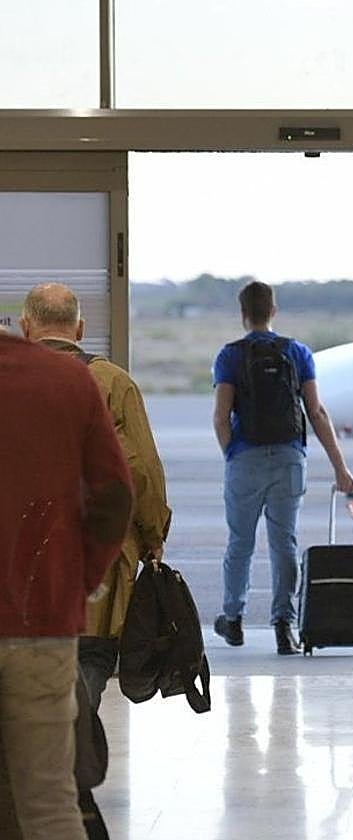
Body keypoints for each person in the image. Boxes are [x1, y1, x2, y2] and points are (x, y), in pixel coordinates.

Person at [21, 282, 173, 838]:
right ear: (81, 329)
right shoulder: (112, 383)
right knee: (85, 675)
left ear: (25, 327)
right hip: (95, 571)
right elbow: (144, 473)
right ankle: (70, 790)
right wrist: (154, 535)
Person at [0, 332, 133, 840]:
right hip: (43, 616)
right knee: (50, 802)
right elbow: (115, 492)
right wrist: (79, 580)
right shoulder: (66, 378)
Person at [211, 281, 353, 656]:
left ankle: (234, 619)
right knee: (284, 544)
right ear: (273, 311)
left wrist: (234, 455)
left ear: (244, 314)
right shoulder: (297, 352)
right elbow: (317, 412)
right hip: (290, 458)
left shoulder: (229, 356)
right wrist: (340, 468)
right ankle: (283, 625)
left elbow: (221, 417)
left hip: (245, 459)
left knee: (240, 543)